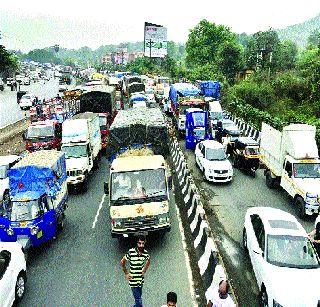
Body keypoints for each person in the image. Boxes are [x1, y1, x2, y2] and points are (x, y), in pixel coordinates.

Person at [121, 235, 150, 307]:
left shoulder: (145, 253)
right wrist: (126, 273)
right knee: (139, 301)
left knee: (138, 298)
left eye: (143, 243)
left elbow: (148, 261)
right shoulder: (131, 252)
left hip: (140, 280)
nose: (141, 245)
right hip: (133, 281)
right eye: (139, 243)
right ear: (137, 243)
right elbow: (122, 262)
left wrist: (144, 270)